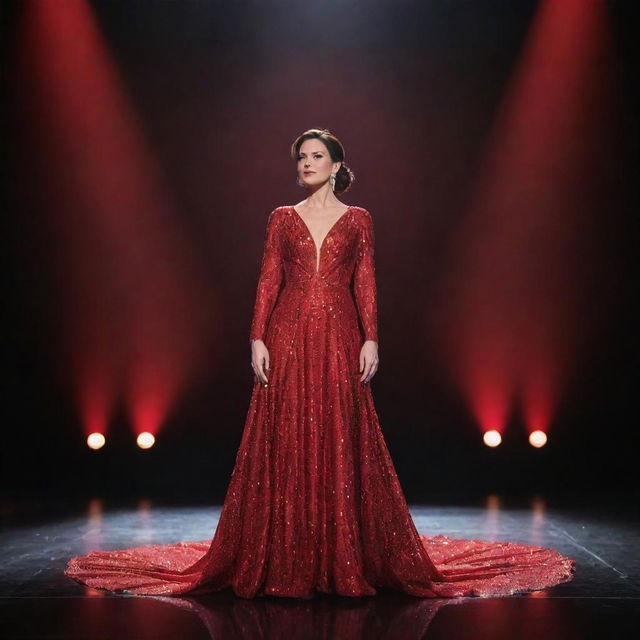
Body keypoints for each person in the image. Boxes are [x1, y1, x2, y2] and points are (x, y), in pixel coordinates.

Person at [65, 128, 575, 598]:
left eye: (316, 157)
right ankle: (285, 558)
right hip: (286, 332)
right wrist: (255, 338)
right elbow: (268, 279)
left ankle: (342, 558)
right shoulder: (282, 217)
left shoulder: (358, 220)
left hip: (339, 335)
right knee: (284, 434)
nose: (306, 163)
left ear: (336, 166)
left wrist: (372, 338)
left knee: (339, 433)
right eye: (302, 157)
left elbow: (366, 281)